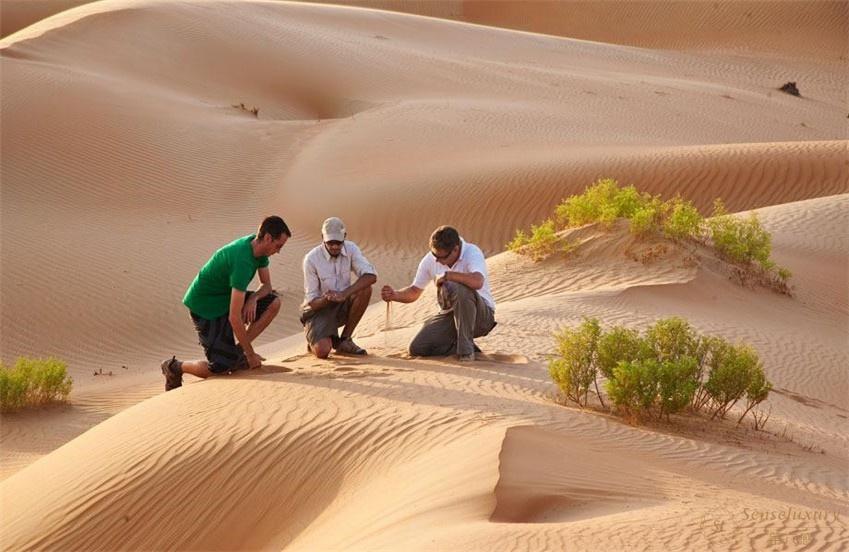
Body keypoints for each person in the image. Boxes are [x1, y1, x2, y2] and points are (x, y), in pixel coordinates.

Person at [161, 216, 290, 391]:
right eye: (278, 246)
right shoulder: (242, 261)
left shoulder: (258, 250)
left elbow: (267, 286)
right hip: (206, 307)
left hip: (226, 299)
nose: (278, 251)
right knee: (220, 369)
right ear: (268, 238)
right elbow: (234, 318)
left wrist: (253, 298)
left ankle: (237, 353)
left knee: (273, 303)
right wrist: (251, 354)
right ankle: (174, 366)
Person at [381, 225, 496, 361]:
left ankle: (466, 352)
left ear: (455, 249)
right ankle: (466, 347)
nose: (436, 260)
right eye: (434, 255)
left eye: (441, 257)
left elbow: (478, 282)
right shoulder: (431, 259)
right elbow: (414, 291)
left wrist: (448, 275)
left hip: (481, 317)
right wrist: (395, 295)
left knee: (459, 288)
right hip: (451, 315)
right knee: (418, 348)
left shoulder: (472, 252)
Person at [301, 217, 377, 358]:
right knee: (323, 352)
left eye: (338, 243)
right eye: (330, 243)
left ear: (345, 238)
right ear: (322, 238)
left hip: (342, 302)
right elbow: (312, 301)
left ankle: (344, 340)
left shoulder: (351, 249)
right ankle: (314, 338)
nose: (335, 246)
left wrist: (344, 294)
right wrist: (327, 298)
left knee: (365, 289)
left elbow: (371, 276)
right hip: (319, 309)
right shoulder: (311, 259)